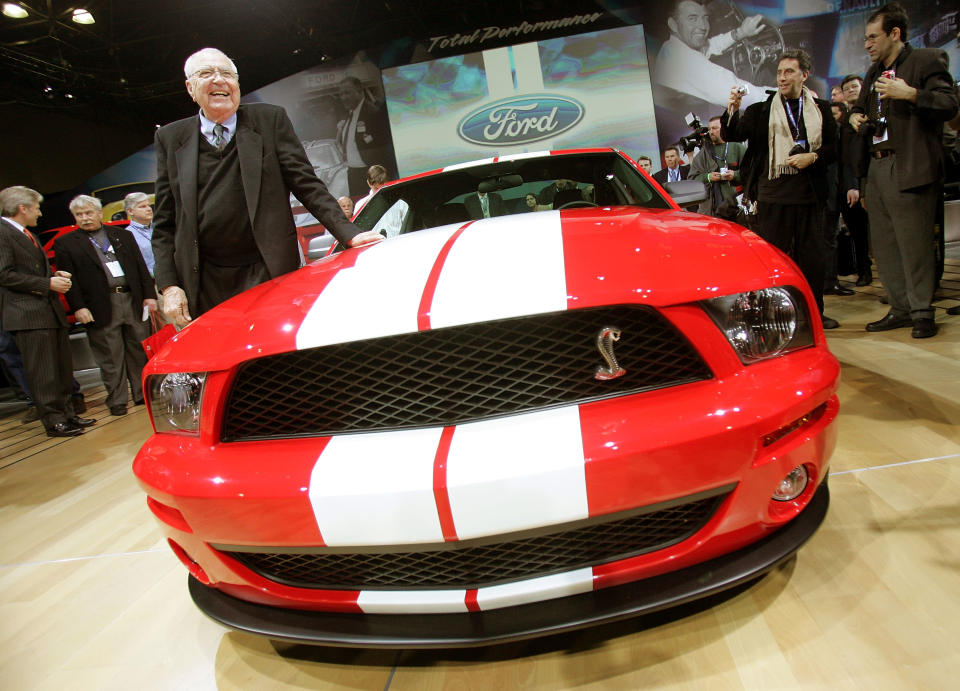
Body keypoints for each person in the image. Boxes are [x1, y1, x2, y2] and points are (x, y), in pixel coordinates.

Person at [153, 48, 382, 327]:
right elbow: (164, 222)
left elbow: (307, 184)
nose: (219, 80)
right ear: (190, 88)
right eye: (206, 74)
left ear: (237, 85)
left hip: (267, 268)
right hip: (205, 278)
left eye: (226, 74)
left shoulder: (269, 120)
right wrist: (169, 286)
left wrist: (350, 234)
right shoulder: (170, 138)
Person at [849, 3, 958, 338]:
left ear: (894, 34)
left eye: (872, 37)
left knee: (915, 244)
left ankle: (923, 311)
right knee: (885, 246)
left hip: (910, 165)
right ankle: (900, 309)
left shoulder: (927, 59)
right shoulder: (871, 73)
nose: (867, 44)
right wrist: (854, 114)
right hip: (877, 167)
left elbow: (949, 104)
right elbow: (863, 104)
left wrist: (911, 94)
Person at [721, 49, 840, 330]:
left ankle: (814, 313)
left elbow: (835, 148)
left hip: (810, 194)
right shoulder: (761, 110)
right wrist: (732, 110)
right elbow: (732, 134)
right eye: (779, 73)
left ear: (804, 75)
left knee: (812, 259)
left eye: (789, 72)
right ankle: (778, 315)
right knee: (775, 260)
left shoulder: (821, 108)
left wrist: (813, 157)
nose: (782, 78)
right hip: (772, 196)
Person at [0, 186, 94, 437]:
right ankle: (54, 421)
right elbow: (4, 274)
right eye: (37, 207)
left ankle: (68, 414)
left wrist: (53, 276)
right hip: (28, 316)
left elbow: (26, 271)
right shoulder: (3, 233)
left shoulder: (26, 234)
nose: (40, 213)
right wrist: (47, 284)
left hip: (47, 313)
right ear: (23, 208)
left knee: (61, 369)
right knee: (43, 373)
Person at [54, 195, 156, 416]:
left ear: (100, 213)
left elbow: (141, 269)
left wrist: (149, 296)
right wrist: (79, 307)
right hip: (99, 305)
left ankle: (142, 395)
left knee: (138, 350)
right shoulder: (66, 243)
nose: (85, 218)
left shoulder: (123, 236)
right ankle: (117, 401)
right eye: (79, 215)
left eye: (89, 213)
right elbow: (69, 281)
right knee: (110, 357)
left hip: (131, 300)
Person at [654, 0, 770, 110]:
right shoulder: (686, 63)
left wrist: (740, 32)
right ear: (673, 24)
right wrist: (777, 94)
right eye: (692, 19)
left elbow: (711, 45)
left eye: (705, 18)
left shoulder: (672, 48)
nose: (703, 26)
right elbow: (736, 93)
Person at [839, 74, 873, 287]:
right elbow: (846, 157)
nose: (851, 90)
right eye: (847, 88)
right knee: (858, 232)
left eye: (855, 87)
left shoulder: (871, 116)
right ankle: (864, 271)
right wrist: (851, 185)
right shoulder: (843, 122)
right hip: (849, 185)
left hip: (871, 181)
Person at [336, 76, 394, 197]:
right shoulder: (349, 115)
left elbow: (382, 147)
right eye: (341, 94)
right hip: (353, 173)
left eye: (347, 93)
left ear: (359, 91)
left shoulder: (373, 112)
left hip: (369, 173)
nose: (343, 97)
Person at [688, 116, 746, 216]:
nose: (711, 132)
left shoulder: (737, 147)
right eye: (709, 129)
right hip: (712, 210)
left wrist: (734, 175)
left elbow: (751, 173)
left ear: (723, 128)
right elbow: (692, 179)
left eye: (715, 128)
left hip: (737, 208)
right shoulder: (704, 153)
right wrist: (708, 177)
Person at [124, 192, 156, 277]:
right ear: (130, 211)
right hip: (150, 282)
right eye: (142, 206)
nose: (149, 209)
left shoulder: (160, 227)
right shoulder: (126, 235)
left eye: (149, 205)